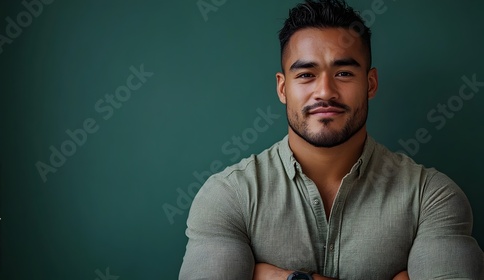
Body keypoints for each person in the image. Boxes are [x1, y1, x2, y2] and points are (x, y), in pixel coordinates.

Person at [179, 0, 484, 279]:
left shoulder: (432, 197)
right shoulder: (228, 196)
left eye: (343, 74)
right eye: (306, 75)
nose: (324, 91)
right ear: (283, 89)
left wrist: (273, 277)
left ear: (371, 83)